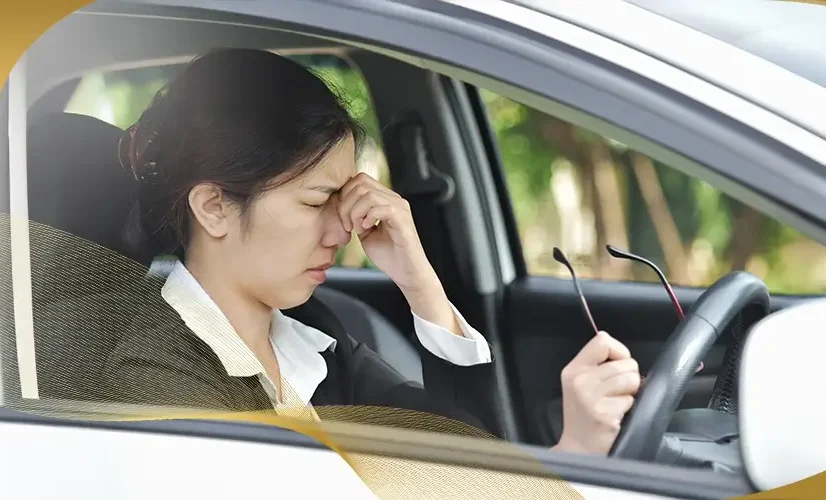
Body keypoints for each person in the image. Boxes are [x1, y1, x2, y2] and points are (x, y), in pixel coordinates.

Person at [102, 48, 642, 455]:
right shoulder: (153, 374)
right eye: (316, 201)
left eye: (343, 199)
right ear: (215, 206)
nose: (341, 230)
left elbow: (460, 460)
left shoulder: (313, 332)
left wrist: (418, 279)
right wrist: (572, 456)